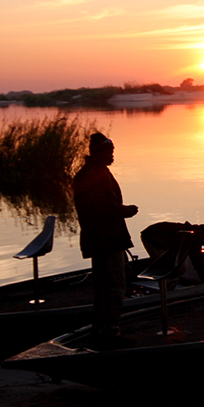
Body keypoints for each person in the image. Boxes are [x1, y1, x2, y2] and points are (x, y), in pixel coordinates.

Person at [73, 132, 138, 345]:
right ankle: (110, 333)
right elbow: (104, 208)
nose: (112, 156)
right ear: (99, 152)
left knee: (103, 288)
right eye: (110, 152)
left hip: (100, 240)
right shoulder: (95, 175)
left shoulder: (90, 172)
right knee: (114, 287)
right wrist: (126, 211)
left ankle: (101, 331)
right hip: (107, 241)